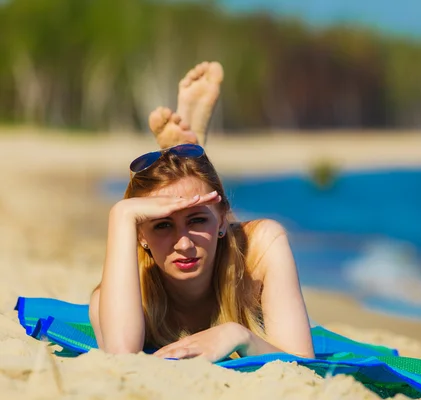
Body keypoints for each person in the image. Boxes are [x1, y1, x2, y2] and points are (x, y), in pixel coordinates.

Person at [89, 62, 315, 361]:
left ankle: (186, 156)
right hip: (180, 230)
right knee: (192, 197)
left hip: (229, 240)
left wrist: (238, 335)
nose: (184, 244)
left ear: (223, 219)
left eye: (196, 220)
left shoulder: (262, 247)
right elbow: (120, 354)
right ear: (139, 234)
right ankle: (185, 158)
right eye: (161, 226)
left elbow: (303, 362)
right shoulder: (121, 293)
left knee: (199, 201)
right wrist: (120, 215)